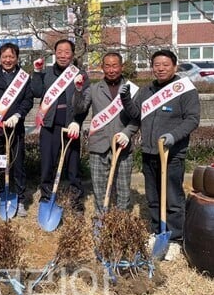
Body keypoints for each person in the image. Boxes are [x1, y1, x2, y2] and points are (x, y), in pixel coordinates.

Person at [120, 49, 200, 259]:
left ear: (175, 66)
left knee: (173, 197)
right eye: (157, 65)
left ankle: (174, 239)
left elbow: (192, 119)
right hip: (149, 151)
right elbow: (137, 115)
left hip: (172, 154)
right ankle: (157, 232)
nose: (160, 68)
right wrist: (126, 99)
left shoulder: (184, 90)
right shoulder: (147, 91)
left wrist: (173, 136)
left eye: (165, 64)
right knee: (153, 197)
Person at [72, 52, 139, 212]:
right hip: (98, 145)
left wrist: (128, 133)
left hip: (123, 146)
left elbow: (137, 117)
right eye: (107, 66)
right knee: (99, 188)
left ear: (121, 67)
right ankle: (101, 219)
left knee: (123, 190)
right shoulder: (94, 89)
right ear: (102, 67)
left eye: (115, 65)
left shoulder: (133, 89)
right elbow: (79, 109)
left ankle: (121, 221)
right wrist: (79, 91)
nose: (111, 70)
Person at [31, 39, 89, 213]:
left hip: (70, 125)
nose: (63, 55)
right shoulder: (47, 72)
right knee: (47, 164)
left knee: (73, 166)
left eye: (67, 52)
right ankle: (47, 196)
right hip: (50, 125)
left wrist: (77, 122)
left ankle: (76, 200)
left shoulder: (80, 74)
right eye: (60, 51)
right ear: (55, 53)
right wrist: (36, 72)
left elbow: (84, 104)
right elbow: (36, 92)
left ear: (72, 54)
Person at [0, 42, 34, 217]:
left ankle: (19, 200)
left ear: (17, 58)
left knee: (17, 164)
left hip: (15, 127)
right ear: (0, 58)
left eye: (11, 56)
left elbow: (28, 100)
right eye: (4, 57)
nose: (8, 60)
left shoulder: (24, 77)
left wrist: (18, 114)